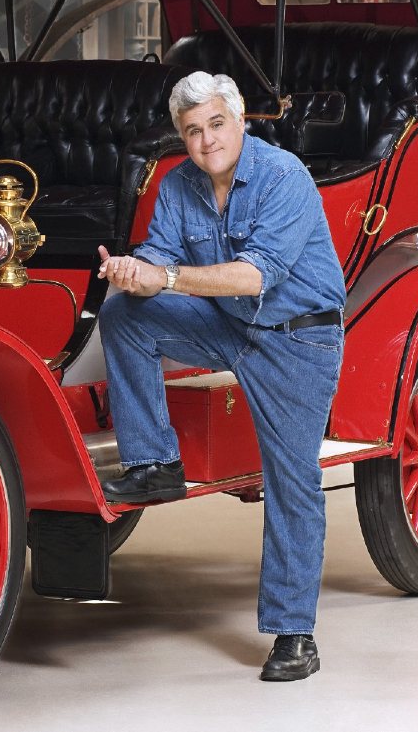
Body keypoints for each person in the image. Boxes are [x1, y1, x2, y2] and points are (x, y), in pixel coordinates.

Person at [96, 71, 346, 682]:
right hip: (230, 323)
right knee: (122, 313)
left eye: (215, 124)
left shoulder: (284, 176)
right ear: (181, 139)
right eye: (192, 131)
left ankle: (294, 634)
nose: (206, 141)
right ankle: (154, 462)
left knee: (291, 479)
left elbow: (256, 277)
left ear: (239, 121)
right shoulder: (179, 184)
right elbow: (160, 252)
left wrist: (171, 279)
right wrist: (133, 269)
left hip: (298, 336)